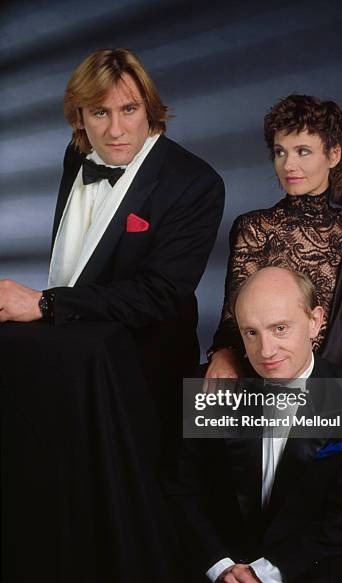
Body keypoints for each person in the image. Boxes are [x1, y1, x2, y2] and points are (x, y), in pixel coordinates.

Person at [0, 47, 224, 426]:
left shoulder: (195, 183)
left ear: (149, 110)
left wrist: (45, 304)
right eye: (100, 113)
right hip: (70, 361)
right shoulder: (77, 157)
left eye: (129, 110)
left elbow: (160, 295)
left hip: (143, 381)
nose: (115, 130)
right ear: (79, 117)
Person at [165, 266, 342, 583]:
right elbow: (182, 492)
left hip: (311, 579)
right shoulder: (210, 390)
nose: (266, 350)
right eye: (251, 333)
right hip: (220, 579)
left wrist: (264, 574)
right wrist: (220, 568)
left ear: (315, 321)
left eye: (280, 328)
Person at [205, 93, 342, 461]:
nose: (289, 164)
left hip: (327, 387)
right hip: (262, 374)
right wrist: (224, 353)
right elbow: (235, 313)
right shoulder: (255, 227)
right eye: (280, 152)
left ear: (334, 155)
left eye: (303, 151)